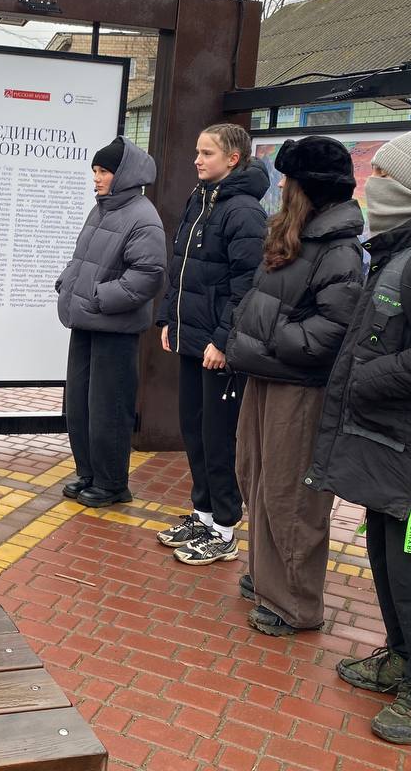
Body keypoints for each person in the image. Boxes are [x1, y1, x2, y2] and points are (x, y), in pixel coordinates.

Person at [306, 126, 411, 745]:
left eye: (379, 174)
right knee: (387, 556)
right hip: (389, 448)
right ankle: (402, 657)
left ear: (407, 189)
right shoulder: (399, 250)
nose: (367, 184)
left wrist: (367, 380)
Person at [226, 136, 364, 636]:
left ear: (309, 188)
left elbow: (332, 330)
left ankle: (295, 603)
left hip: (299, 389)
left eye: (290, 179)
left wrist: (269, 335)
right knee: (255, 476)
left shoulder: (339, 249)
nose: (281, 186)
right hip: (267, 374)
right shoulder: (296, 235)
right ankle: (266, 576)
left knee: (290, 495)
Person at [156, 123, 267, 565]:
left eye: (206, 153)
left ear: (233, 159)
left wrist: (223, 340)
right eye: (197, 152)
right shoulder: (199, 199)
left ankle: (225, 526)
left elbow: (247, 285)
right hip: (191, 337)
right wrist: (169, 318)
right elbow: (180, 266)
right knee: (194, 431)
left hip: (216, 347)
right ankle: (203, 513)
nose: (197, 160)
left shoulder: (244, 213)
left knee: (218, 436)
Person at [56, 137, 166, 507]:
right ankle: (89, 472)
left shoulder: (142, 216)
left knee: (108, 407)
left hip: (113, 329)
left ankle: (112, 482)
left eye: (103, 171)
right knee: (81, 403)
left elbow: (148, 275)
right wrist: (67, 282)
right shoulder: (102, 209)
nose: (96, 178)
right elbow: (82, 257)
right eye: (95, 171)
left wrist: (101, 299)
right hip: (86, 322)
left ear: (124, 175)